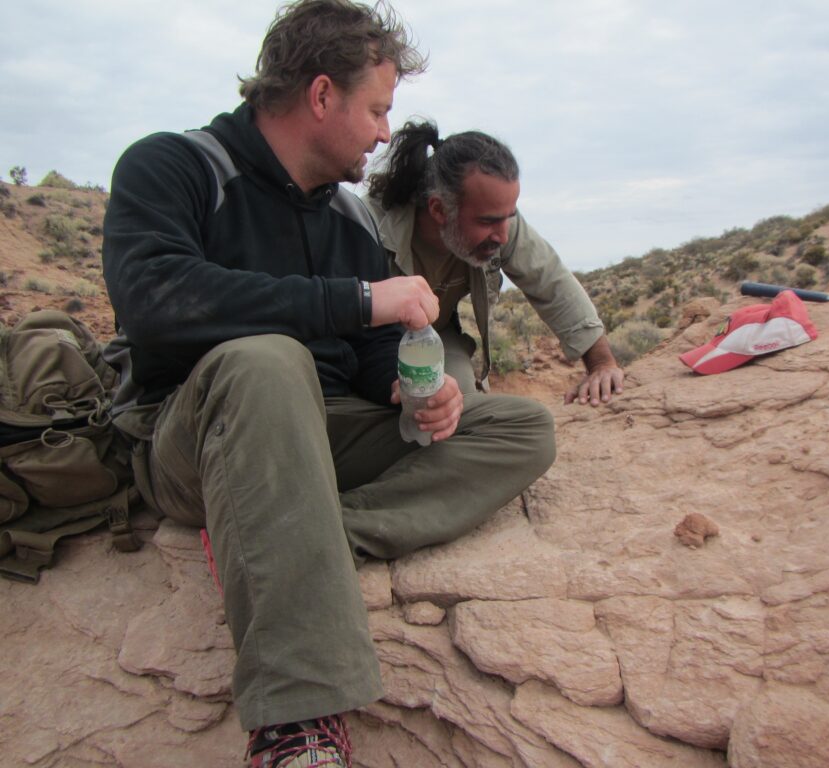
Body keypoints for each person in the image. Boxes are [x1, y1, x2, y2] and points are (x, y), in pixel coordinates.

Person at [101, 2, 555, 766]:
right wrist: (355, 301)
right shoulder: (174, 166)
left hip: (321, 434)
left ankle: (299, 537)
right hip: (197, 435)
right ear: (321, 97)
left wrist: (418, 389)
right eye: (377, 108)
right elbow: (153, 301)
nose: (385, 132)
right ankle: (299, 726)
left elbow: (376, 353)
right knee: (267, 359)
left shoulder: (349, 218)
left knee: (519, 426)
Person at [364, 119, 626, 406]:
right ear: (439, 209)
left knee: (460, 405)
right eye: (488, 221)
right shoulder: (369, 225)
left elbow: (550, 279)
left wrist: (601, 364)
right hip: (368, 347)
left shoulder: (500, 222)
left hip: (434, 337)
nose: (502, 235)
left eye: (509, 217)